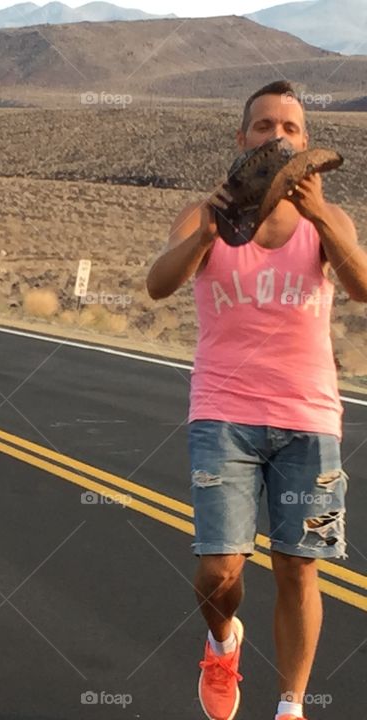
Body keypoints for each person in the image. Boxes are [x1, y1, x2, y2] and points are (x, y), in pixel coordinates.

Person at [145, 80, 367, 720]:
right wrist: (209, 231)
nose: (277, 136)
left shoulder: (330, 222)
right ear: (242, 139)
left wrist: (322, 213)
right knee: (219, 571)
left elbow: (360, 286)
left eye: (290, 128)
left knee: (299, 568)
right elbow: (160, 284)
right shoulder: (203, 213)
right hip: (223, 415)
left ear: (306, 143)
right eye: (264, 126)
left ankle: (291, 707)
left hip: (309, 417)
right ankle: (222, 640)